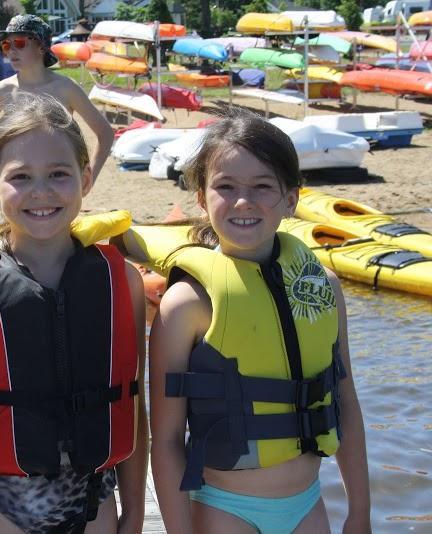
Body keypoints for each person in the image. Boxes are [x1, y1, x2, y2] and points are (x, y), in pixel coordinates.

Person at [0, 93, 149, 533]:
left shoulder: (123, 281)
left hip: (96, 508)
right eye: (20, 177)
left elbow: (131, 401)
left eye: (59, 174)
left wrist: (135, 511)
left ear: (85, 177)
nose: (41, 192)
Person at [142, 109, 371, 533]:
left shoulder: (324, 288)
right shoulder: (186, 304)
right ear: (201, 198)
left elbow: (345, 401)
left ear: (291, 198)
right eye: (225, 187)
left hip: (308, 505)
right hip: (224, 509)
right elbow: (167, 440)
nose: (243, 201)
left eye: (262, 186)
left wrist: (360, 511)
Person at [0, 15, 114, 189]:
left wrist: (89, 179)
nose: (11, 50)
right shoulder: (3, 90)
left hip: (56, 182)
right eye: (6, 45)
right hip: (18, 185)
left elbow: (105, 133)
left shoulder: (66, 88)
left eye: (19, 43)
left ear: (41, 47)